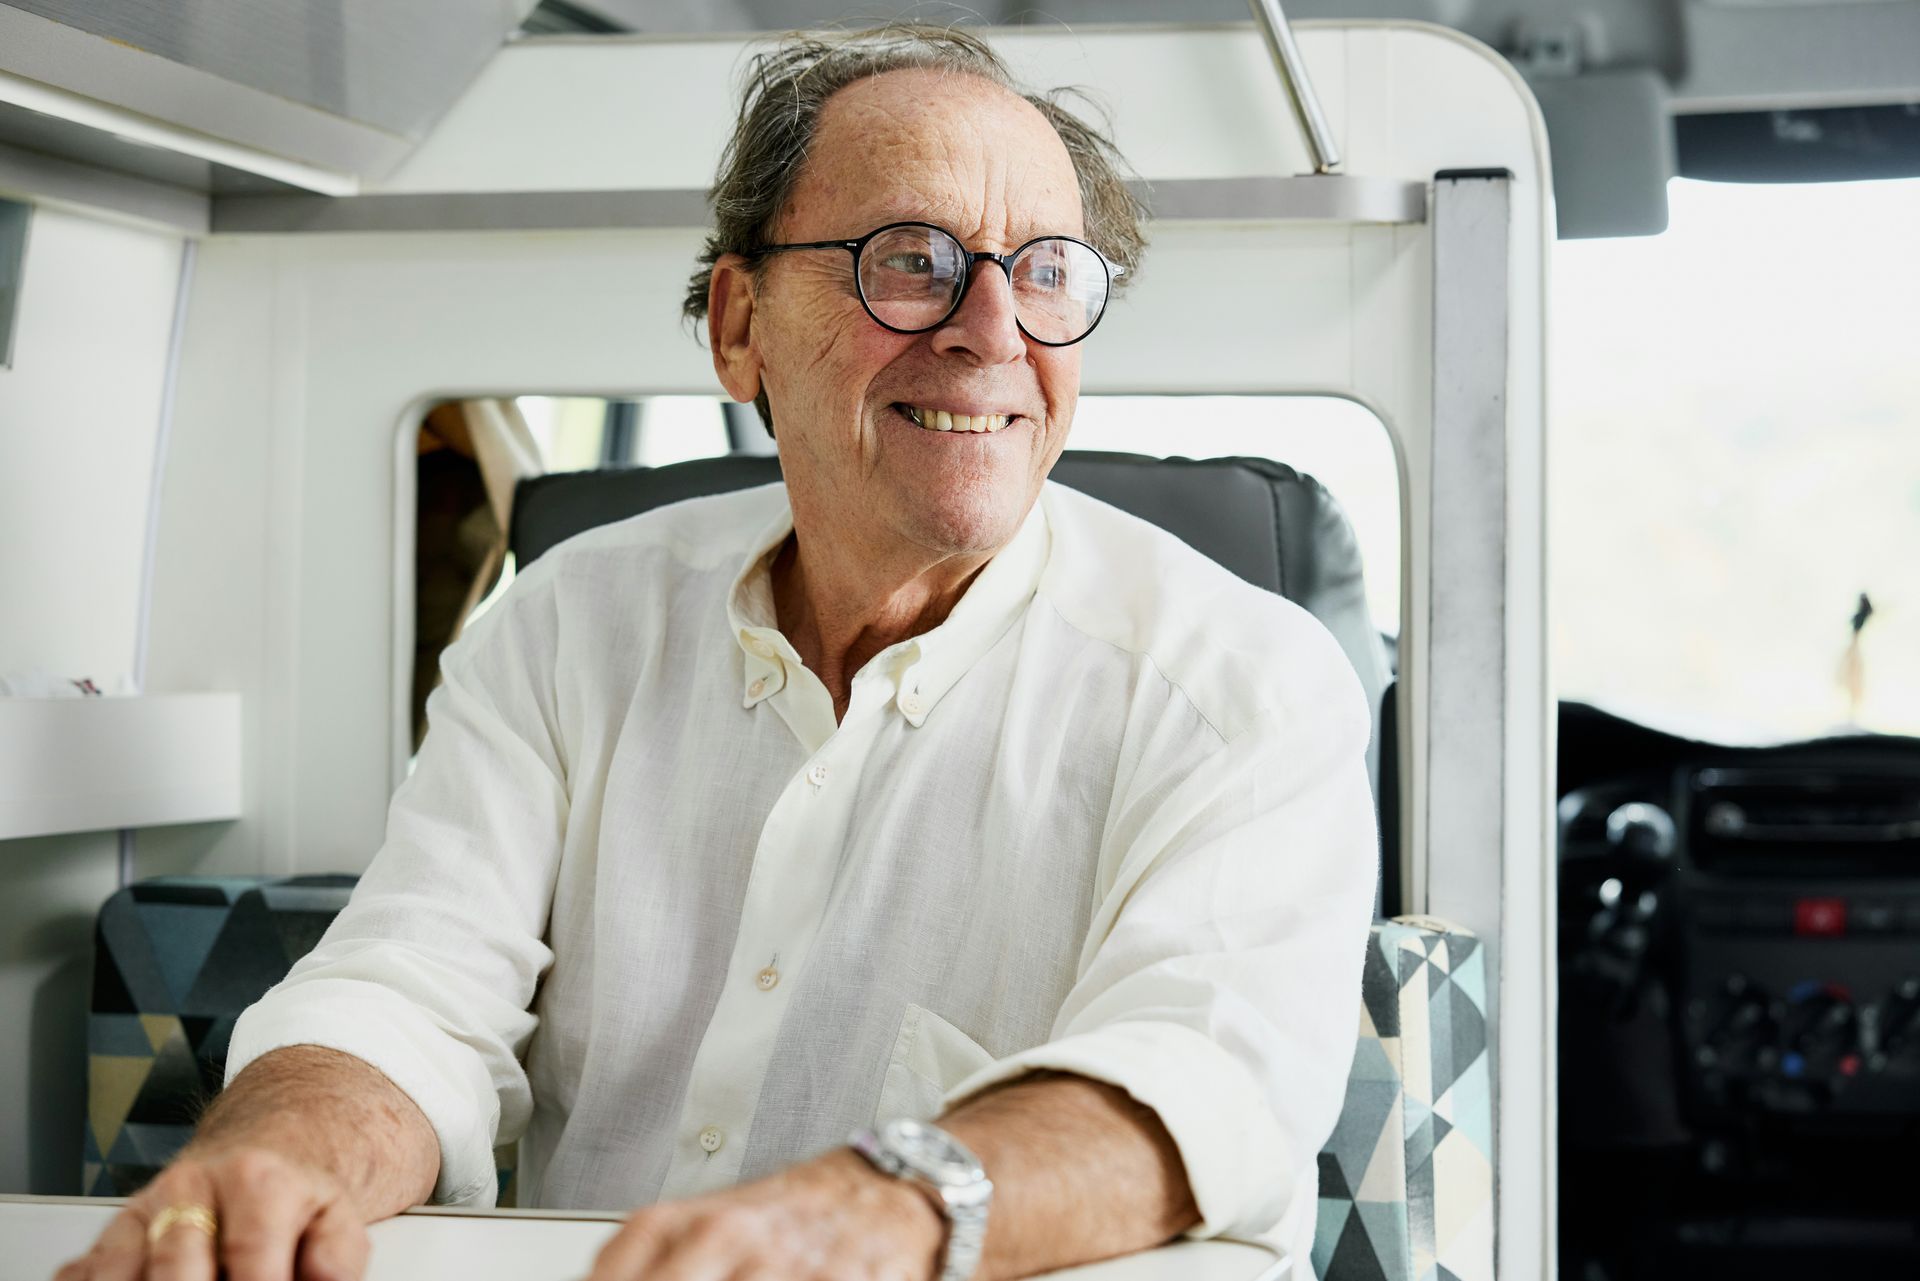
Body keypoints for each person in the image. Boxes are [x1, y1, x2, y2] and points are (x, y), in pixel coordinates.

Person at [57, 24, 1376, 1281]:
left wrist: (884, 1209)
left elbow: (1205, 1079)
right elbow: (411, 994)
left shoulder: (1243, 685)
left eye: (1045, 271)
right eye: (911, 259)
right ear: (739, 325)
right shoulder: (566, 625)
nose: (993, 331)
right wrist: (271, 1160)